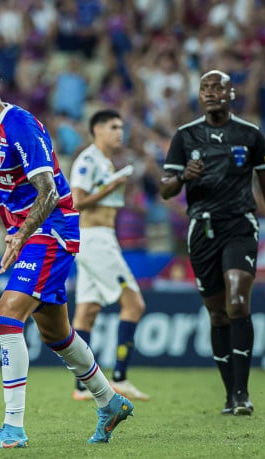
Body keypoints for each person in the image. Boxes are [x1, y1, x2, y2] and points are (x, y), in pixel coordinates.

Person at [0, 56, 133, 448]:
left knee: (5, 318)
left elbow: (48, 192)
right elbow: (3, 183)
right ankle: (110, 401)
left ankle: (13, 428)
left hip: (50, 230)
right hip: (30, 231)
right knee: (58, 335)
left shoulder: (21, 125)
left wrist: (20, 234)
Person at [159, 70, 265, 415]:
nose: (211, 92)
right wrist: (182, 177)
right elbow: (165, 188)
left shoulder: (250, 134)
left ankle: (243, 393)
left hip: (240, 226)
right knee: (217, 314)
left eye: (218, 87)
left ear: (232, 93)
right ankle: (230, 394)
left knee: (237, 301)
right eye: (205, 87)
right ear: (199, 95)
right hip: (202, 230)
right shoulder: (185, 136)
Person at [68, 109, 150, 401]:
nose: (120, 133)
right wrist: (112, 186)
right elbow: (76, 201)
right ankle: (121, 378)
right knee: (134, 303)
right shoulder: (88, 160)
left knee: (87, 312)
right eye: (114, 127)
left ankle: (81, 386)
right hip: (95, 239)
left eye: (121, 127)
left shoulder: (104, 161)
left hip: (99, 238)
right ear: (98, 129)